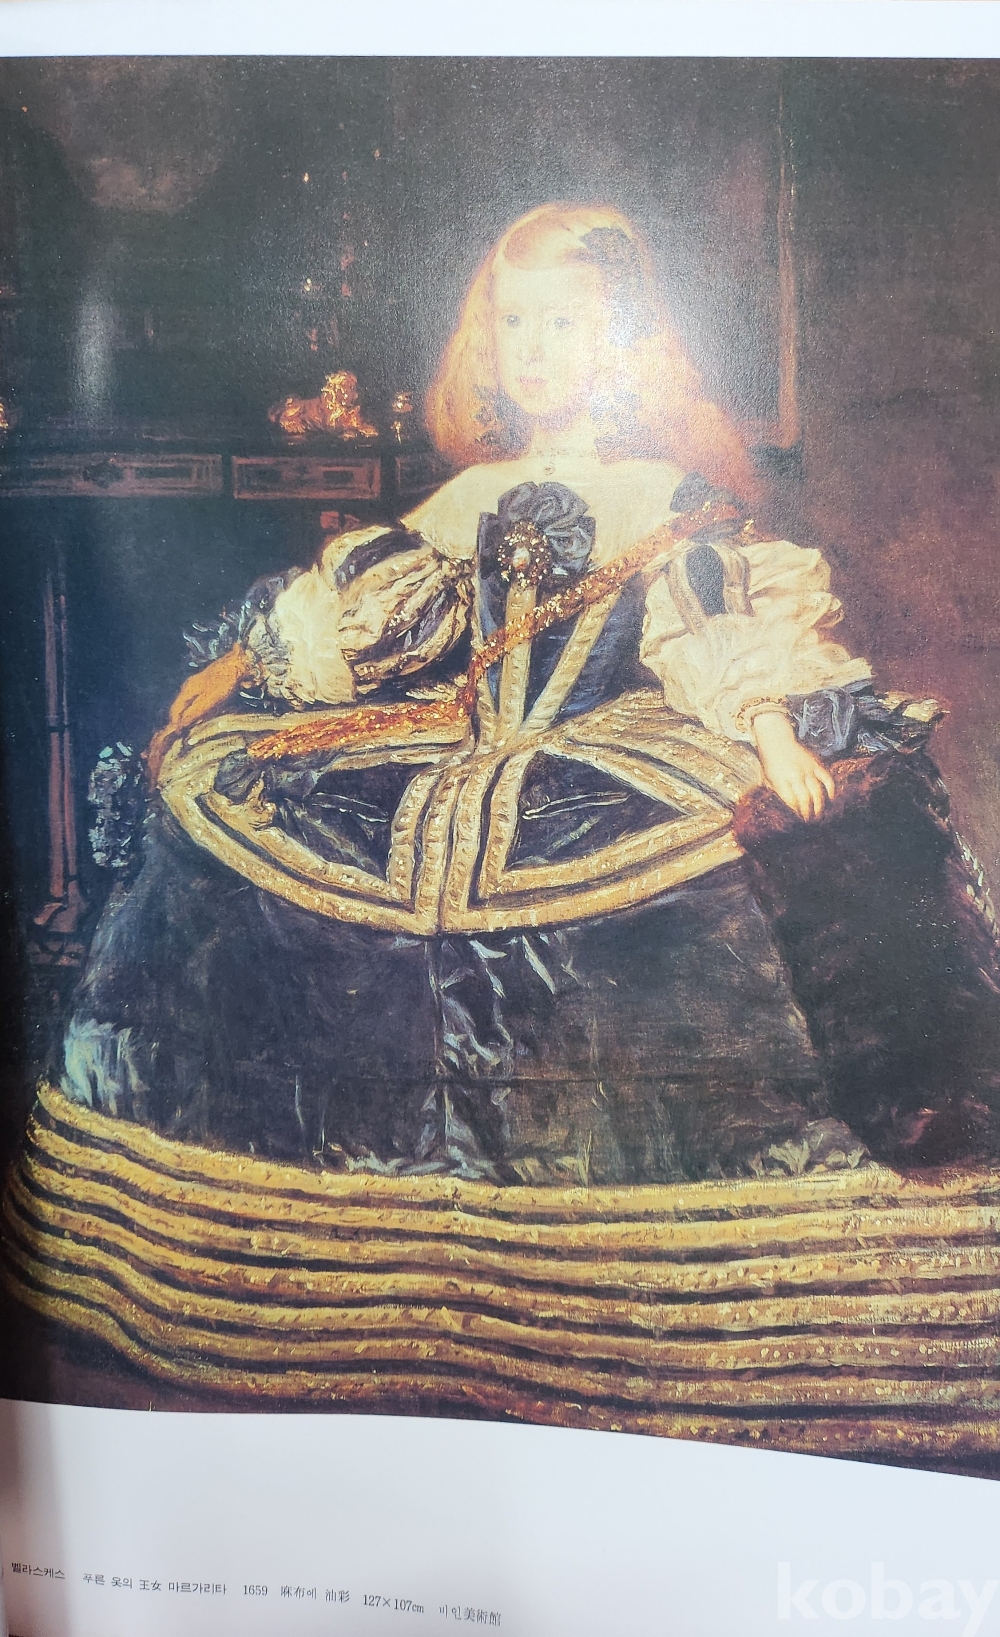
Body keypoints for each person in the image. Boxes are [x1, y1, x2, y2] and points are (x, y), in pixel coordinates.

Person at [62, 203, 1000, 1183]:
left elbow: (708, 620)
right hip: (463, 744)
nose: (535, 348)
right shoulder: (472, 492)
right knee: (246, 809)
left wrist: (772, 734)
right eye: (515, 322)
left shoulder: (659, 490)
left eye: (563, 322)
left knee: (677, 907)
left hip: (598, 758)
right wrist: (238, 668)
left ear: (617, 340)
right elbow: (360, 611)